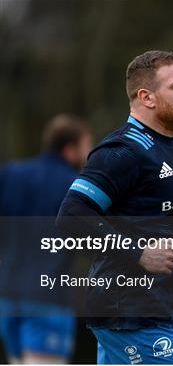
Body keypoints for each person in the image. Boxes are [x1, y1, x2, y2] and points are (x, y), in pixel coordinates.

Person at [56, 50, 173, 365]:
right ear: (146, 97)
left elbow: (156, 217)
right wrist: (139, 253)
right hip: (134, 313)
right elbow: (72, 215)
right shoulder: (123, 151)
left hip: (157, 311)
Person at [0, 114, 92, 364]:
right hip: (48, 299)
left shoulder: (9, 175)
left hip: (7, 297)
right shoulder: (74, 187)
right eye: (86, 148)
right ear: (70, 149)